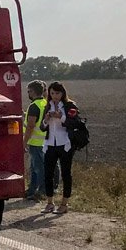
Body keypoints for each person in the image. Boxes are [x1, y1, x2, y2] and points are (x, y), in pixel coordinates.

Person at [39, 81, 79, 214]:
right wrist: (46, 120)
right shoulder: (47, 106)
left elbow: (74, 123)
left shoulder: (69, 105)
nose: (55, 96)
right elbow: (42, 127)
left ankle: (64, 204)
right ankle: (50, 203)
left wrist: (61, 117)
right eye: (52, 93)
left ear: (62, 93)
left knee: (66, 173)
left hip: (65, 144)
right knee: (48, 174)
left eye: (57, 93)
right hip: (50, 143)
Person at [23, 80, 48, 199]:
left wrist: (24, 142)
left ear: (34, 91)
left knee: (38, 168)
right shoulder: (45, 103)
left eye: (29, 91)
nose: (28, 93)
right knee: (35, 168)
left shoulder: (33, 106)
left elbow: (30, 126)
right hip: (44, 140)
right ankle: (32, 189)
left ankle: (42, 191)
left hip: (35, 142)